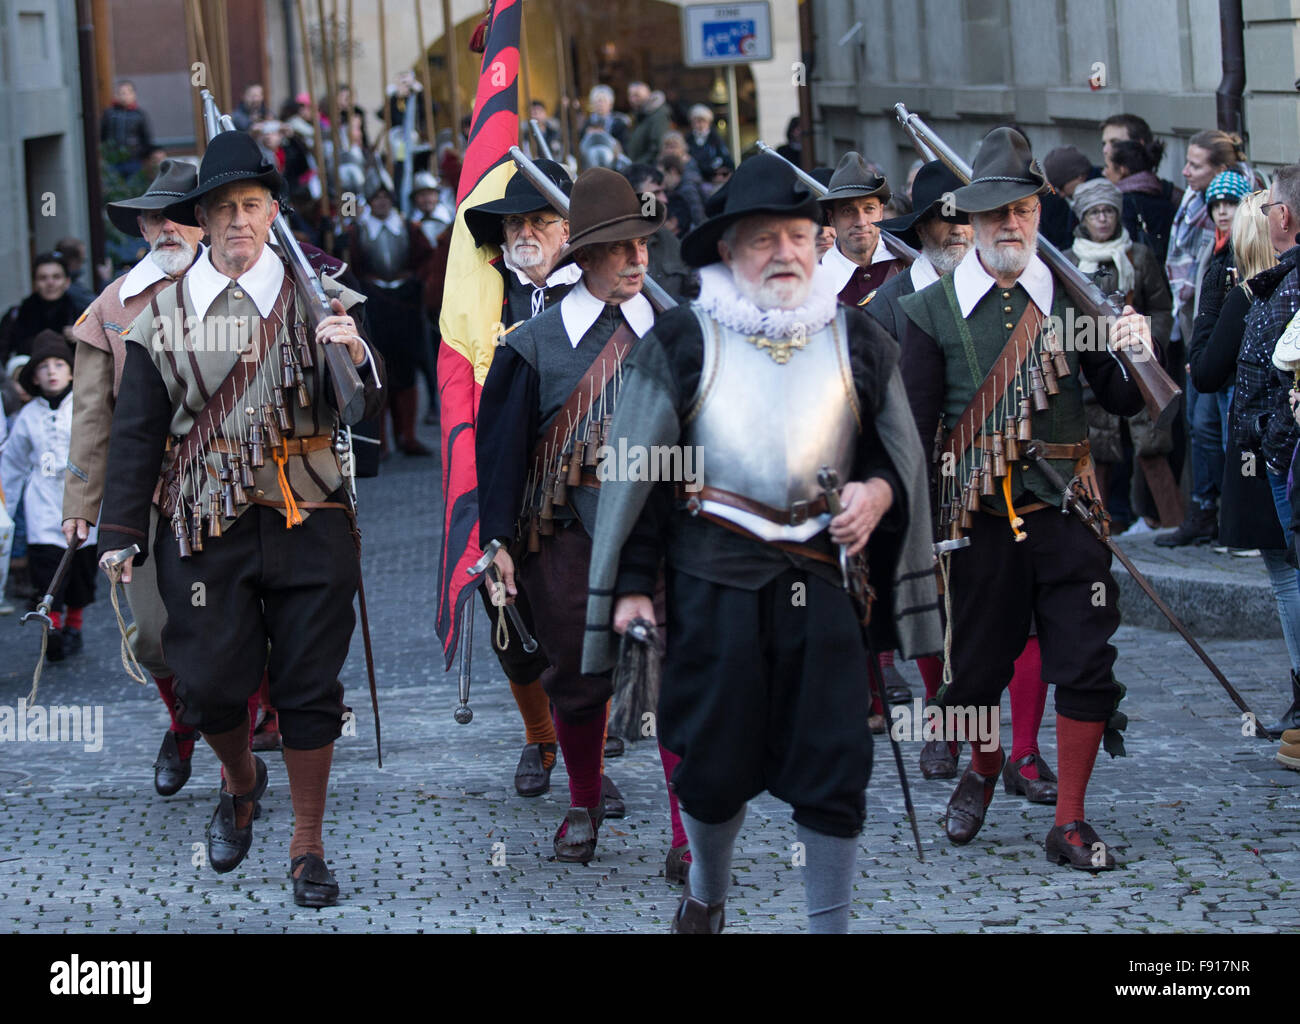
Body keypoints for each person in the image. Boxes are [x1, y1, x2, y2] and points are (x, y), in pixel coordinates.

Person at [580, 152, 942, 931]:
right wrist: (634, 583)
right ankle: (707, 893)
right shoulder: (681, 342)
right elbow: (642, 475)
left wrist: (877, 494)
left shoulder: (860, 341)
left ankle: (829, 926)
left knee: (835, 761)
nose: (784, 253)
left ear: (818, 245)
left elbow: (893, 454)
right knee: (712, 765)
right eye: (761, 239)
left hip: (826, 585)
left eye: (796, 236)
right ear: (726, 253)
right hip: (715, 581)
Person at [96, 130, 386, 907]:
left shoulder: (323, 300)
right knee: (212, 688)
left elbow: (370, 420)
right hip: (202, 522)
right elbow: (136, 433)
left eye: (251, 204)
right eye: (222, 208)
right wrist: (121, 532)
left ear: (272, 212)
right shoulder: (158, 320)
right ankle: (239, 778)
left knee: (308, 687)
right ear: (199, 220)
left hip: (310, 515)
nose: (237, 220)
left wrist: (352, 357)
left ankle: (308, 845)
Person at [898, 127, 1155, 869]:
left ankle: (1068, 819)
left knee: (1085, 663)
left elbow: (1120, 401)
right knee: (976, 669)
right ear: (971, 221)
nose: (1011, 225)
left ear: (1040, 212)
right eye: (995, 213)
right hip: (978, 521)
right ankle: (983, 767)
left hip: (1071, 515)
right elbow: (914, 432)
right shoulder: (928, 314)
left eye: (1023, 209)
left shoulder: (1072, 297)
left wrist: (1132, 347)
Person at [476, 168, 669, 865]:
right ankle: (584, 803)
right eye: (622, 248)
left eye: (643, 245)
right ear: (586, 257)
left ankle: (687, 838)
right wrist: (498, 542)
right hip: (566, 538)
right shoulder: (532, 344)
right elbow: (500, 457)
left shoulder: (675, 332)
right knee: (580, 685)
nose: (639, 259)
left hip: (665, 532)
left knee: (677, 679)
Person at [63, 158, 219, 795]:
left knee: (243, 621)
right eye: (156, 217)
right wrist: (81, 500)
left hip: (235, 480)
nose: (168, 228)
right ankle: (183, 726)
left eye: (181, 215)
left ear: (204, 222)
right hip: (145, 491)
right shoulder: (111, 306)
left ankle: (250, 735)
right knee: (154, 635)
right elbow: (91, 414)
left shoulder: (247, 286)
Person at [460, 160, 581, 798]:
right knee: (506, 611)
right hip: (502, 482)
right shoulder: (485, 304)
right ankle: (541, 737)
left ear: (569, 229)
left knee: (576, 621)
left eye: (540, 219)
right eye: (515, 223)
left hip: (579, 485)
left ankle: (591, 764)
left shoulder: (596, 296)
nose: (526, 232)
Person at [1188, 188, 1300, 743]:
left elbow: (1204, 371)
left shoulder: (1250, 295)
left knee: (1287, 577)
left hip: (1268, 452)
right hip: (1271, 448)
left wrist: (1211, 303)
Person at [1063, 177, 1177, 534]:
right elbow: (1066, 318)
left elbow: (1161, 308)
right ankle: (1098, 525)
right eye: (1094, 212)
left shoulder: (1138, 256)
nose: (1102, 219)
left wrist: (1147, 343)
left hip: (1138, 362)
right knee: (1101, 453)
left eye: (1108, 212)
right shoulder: (1069, 261)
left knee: (1152, 448)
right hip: (1092, 366)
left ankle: (1173, 523)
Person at [1232, 164, 1300, 736]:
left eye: (1270, 204)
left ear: (1284, 216)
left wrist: (1272, 442)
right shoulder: (1278, 283)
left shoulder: (1287, 288)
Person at [3, 332, 97, 661]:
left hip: (82, 498)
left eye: (59, 364)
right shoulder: (29, 416)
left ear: (72, 371)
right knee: (46, 568)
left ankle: (74, 625)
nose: (52, 372)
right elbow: (12, 463)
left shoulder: (86, 408)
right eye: (44, 367)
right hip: (43, 502)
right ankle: (52, 628)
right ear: (33, 376)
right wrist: (6, 508)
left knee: (81, 569)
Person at [347, 173, 436, 456]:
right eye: (377, 198)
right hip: (375, 305)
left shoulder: (409, 227)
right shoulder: (357, 231)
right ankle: (382, 441)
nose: (382, 202)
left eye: (386, 197)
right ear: (370, 202)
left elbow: (428, 259)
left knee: (406, 371)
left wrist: (414, 281)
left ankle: (407, 435)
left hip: (405, 306)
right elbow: (351, 267)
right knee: (378, 371)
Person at [819, 152, 900, 306]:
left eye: (869, 209)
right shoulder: (812, 283)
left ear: (881, 212)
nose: (861, 222)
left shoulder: (911, 264)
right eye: (848, 211)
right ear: (831, 218)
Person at [621, 164, 698, 302]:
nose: (664, 200)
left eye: (663, 192)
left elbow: (691, 285)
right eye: (656, 193)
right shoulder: (613, 243)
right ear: (632, 196)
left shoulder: (666, 238)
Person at [0, 254, 85, 364]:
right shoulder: (16, 316)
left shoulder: (82, 315)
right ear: (34, 283)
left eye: (56, 277)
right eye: (43, 278)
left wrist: (84, 340)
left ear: (67, 282)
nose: (50, 283)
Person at [100, 80, 154, 177]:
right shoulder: (109, 114)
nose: (124, 96)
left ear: (134, 95)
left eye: (127, 93)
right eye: (120, 93)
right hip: (113, 160)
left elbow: (146, 138)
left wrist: (144, 155)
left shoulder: (139, 115)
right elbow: (102, 135)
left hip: (134, 160)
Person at [626, 81, 673, 166]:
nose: (632, 100)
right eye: (630, 95)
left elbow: (657, 148)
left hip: (648, 171)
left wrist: (636, 166)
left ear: (648, 95)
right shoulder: (639, 115)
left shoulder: (659, 115)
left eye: (637, 95)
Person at [685, 105, 732, 177]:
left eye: (703, 121)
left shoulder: (716, 139)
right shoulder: (688, 140)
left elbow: (724, 158)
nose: (700, 125)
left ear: (709, 123)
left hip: (713, 176)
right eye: (697, 122)